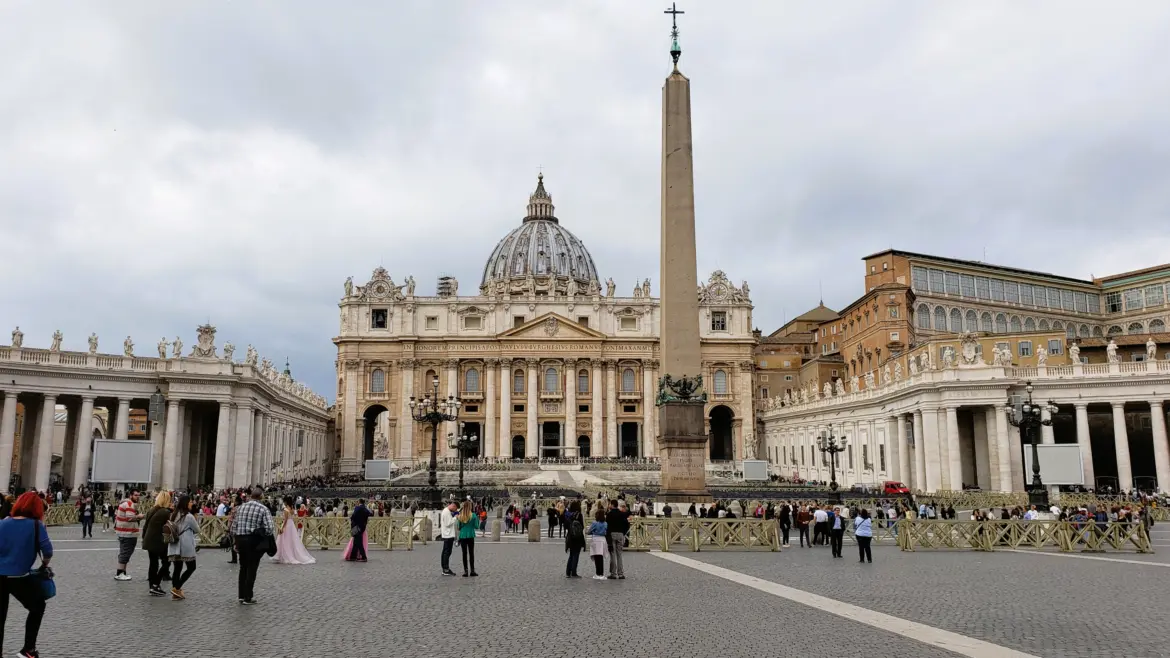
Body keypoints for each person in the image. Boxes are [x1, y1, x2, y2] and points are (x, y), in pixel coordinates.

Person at [0, 492, 53, 658]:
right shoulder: (36, 525)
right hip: (19, 578)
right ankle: (28, 649)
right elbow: (48, 551)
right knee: (38, 606)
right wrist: (44, 564)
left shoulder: (3, 523)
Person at [229, 487, 275, 605]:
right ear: (261, 497)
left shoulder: (241, 507)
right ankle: (247, 597)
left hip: (240, 539)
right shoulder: (263, 509)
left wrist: (235, 541)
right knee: (252, 568)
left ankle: (241, 595)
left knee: (243, 567)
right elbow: (270, 528)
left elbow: (234, 526)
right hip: (254, 541)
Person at [167, 495, 200, 600]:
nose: (191, 503)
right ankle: (177, 588)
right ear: (186, 503)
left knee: (177, 568)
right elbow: (197, 529)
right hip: (185, 544)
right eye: (190, 502)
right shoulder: (189, 516)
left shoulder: (173, 514)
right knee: (191, 567)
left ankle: (175, 593)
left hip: (174, 544)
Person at [141, 491, 173, 596]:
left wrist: (144, 537)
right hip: (158, 541)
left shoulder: (152, 510)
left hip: (149, 539)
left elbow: (145, 525)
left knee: (153, 563)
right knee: (166, 562)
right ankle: (156, 584)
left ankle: (152, 585)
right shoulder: (165, 512)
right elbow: (170, 527)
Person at [273, 496, 315, 565]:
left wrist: (282, 527)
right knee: (291, 539)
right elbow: (293, 516)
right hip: (291, 524)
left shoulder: (286, 509)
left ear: (286, 502)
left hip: (287, 524)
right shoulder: (292, 508)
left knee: (284, 539)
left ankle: (282, 555)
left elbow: (285, 520)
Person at [113, 490, 144, 581]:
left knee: (125, 552)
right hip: (127, 533)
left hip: (126, 532)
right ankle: (119, 573)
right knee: (125, 553)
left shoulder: (127, 503)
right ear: (130, 495)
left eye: (138, 495)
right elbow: (129, 518)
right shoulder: (129, 504)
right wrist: (139, 516)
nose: (137, 497)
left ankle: (123, 571)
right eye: (135, 495)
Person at [605, 499, 631, 579]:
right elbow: (627, 524)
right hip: (620, 534)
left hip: (612, 534)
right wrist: (623, 532)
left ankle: (613, 573)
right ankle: (620, 573)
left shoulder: (609, 514)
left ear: (612, 505)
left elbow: (607, 526)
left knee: (612, 554)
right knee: (619, 554)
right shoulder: (622, 514)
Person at [456, 501, 479, 577]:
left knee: (464, 554)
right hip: (470, 535)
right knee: (471, 553)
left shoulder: (460, 516)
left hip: (463, 535)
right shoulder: (473, 515)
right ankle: (472, 570)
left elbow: (458, 527)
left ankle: (465, 571)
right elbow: (476, 526)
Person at [564, 501, 585, 578]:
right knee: (576, 554)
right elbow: (582, 526)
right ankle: (574, 572)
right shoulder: (579, 515)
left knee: (571, 554)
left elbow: (565, 526)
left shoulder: (568, 515)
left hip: (570, 536)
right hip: (578, 537)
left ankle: (568, 572)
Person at [587, 508, 608, 580]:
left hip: (596, 539)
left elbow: (589, 532)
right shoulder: (605, 523)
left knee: (596, 557)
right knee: (601, 557)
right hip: (602, 539)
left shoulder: (594, 523)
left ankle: (597, 573)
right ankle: (601, 573)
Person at [439, 501, 458, 576]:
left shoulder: (446, 511)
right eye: (455, 509)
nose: (455, 510)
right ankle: (445, 569)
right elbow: (448, 523)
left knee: (446, 552)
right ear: (453, 506)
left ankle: (445, 568)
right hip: (448, 535)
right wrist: (455, 518)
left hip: (448, 534)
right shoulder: (446, 512)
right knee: (447, 552)